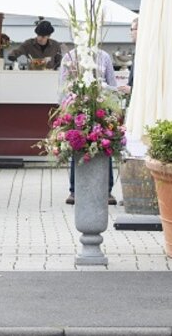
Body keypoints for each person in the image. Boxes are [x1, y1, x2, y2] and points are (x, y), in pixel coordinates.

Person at [60, 45, 117, 206]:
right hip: (77, 108)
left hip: (101, 108)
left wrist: (103, 89)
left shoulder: (104, 57)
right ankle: (75, 190)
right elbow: (62, 87)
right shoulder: (70, 58)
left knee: (105, 145)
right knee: (77, 144)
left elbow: (112, 85)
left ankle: (106, 190)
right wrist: (65, 110)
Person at [120, 17, 139, 96]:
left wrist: (131, 90)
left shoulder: (146, 54)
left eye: (132, 29)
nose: (130, 33)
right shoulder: (138, 51)